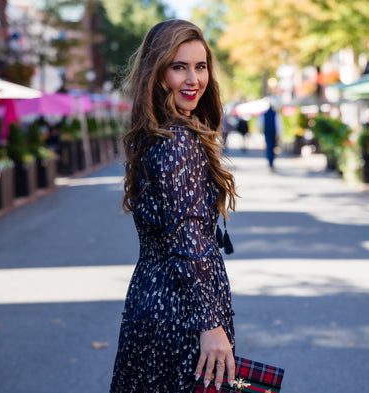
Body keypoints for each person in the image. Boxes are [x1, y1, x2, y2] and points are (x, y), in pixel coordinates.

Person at [110, 19, 238, 393]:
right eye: (178, 66)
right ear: (158, 72)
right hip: (179, 310)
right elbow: (188, 240)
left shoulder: (159, 134)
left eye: (200, 66)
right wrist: (210, 324)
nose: (193, 79)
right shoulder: (178, 141)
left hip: (154, 298)